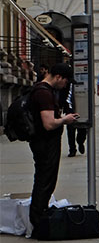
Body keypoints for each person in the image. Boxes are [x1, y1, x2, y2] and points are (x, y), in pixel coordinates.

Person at [27, 62, 79, 233]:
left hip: (42, 142)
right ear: (58, 77)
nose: (65, 85)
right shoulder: (44, 93)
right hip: (45, 143)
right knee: (45, 180)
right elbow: (48, 124)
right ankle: (38, 220)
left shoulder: (41, 90)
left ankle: (39, 215)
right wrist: (65, 119)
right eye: (65, 81)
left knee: (45, 179)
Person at [64, 82, 87, 156]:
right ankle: (72, 149)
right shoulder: (65, 83)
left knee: (82, 129)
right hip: (69, 109)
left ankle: (80, 142)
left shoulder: (82, 82)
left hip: (81, 107)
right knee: (70, 131)